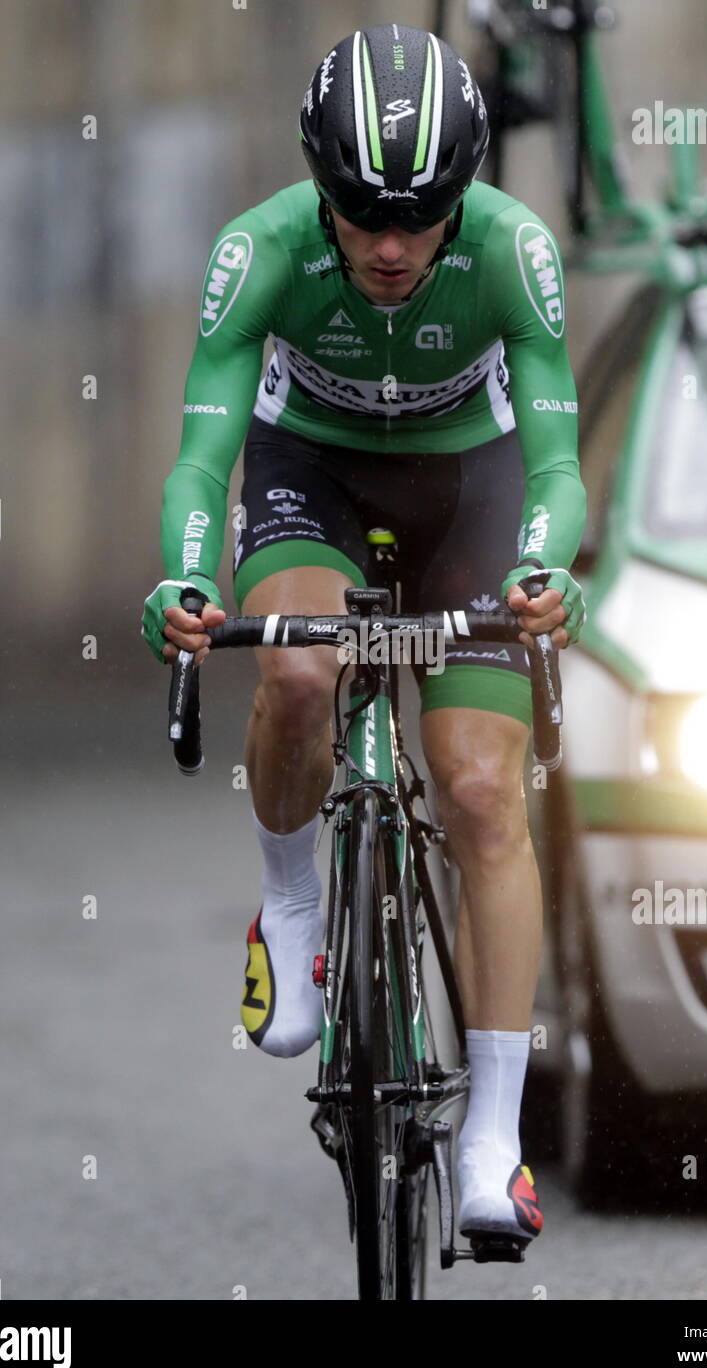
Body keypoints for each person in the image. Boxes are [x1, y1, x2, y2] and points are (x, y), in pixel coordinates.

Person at [141, 21, 586, 1247]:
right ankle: (290, 907)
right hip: (315, 478)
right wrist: (186, 580)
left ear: (467, 192)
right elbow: (200, 461)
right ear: (317, 185)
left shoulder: (513, 251)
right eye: (361, 214)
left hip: (470, 491)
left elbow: (556, 459)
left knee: (485, 792)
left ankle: (494, 1138)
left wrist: (547, 562)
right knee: (296, 666)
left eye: (422, 216)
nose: (391, 248)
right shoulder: (262, 251)